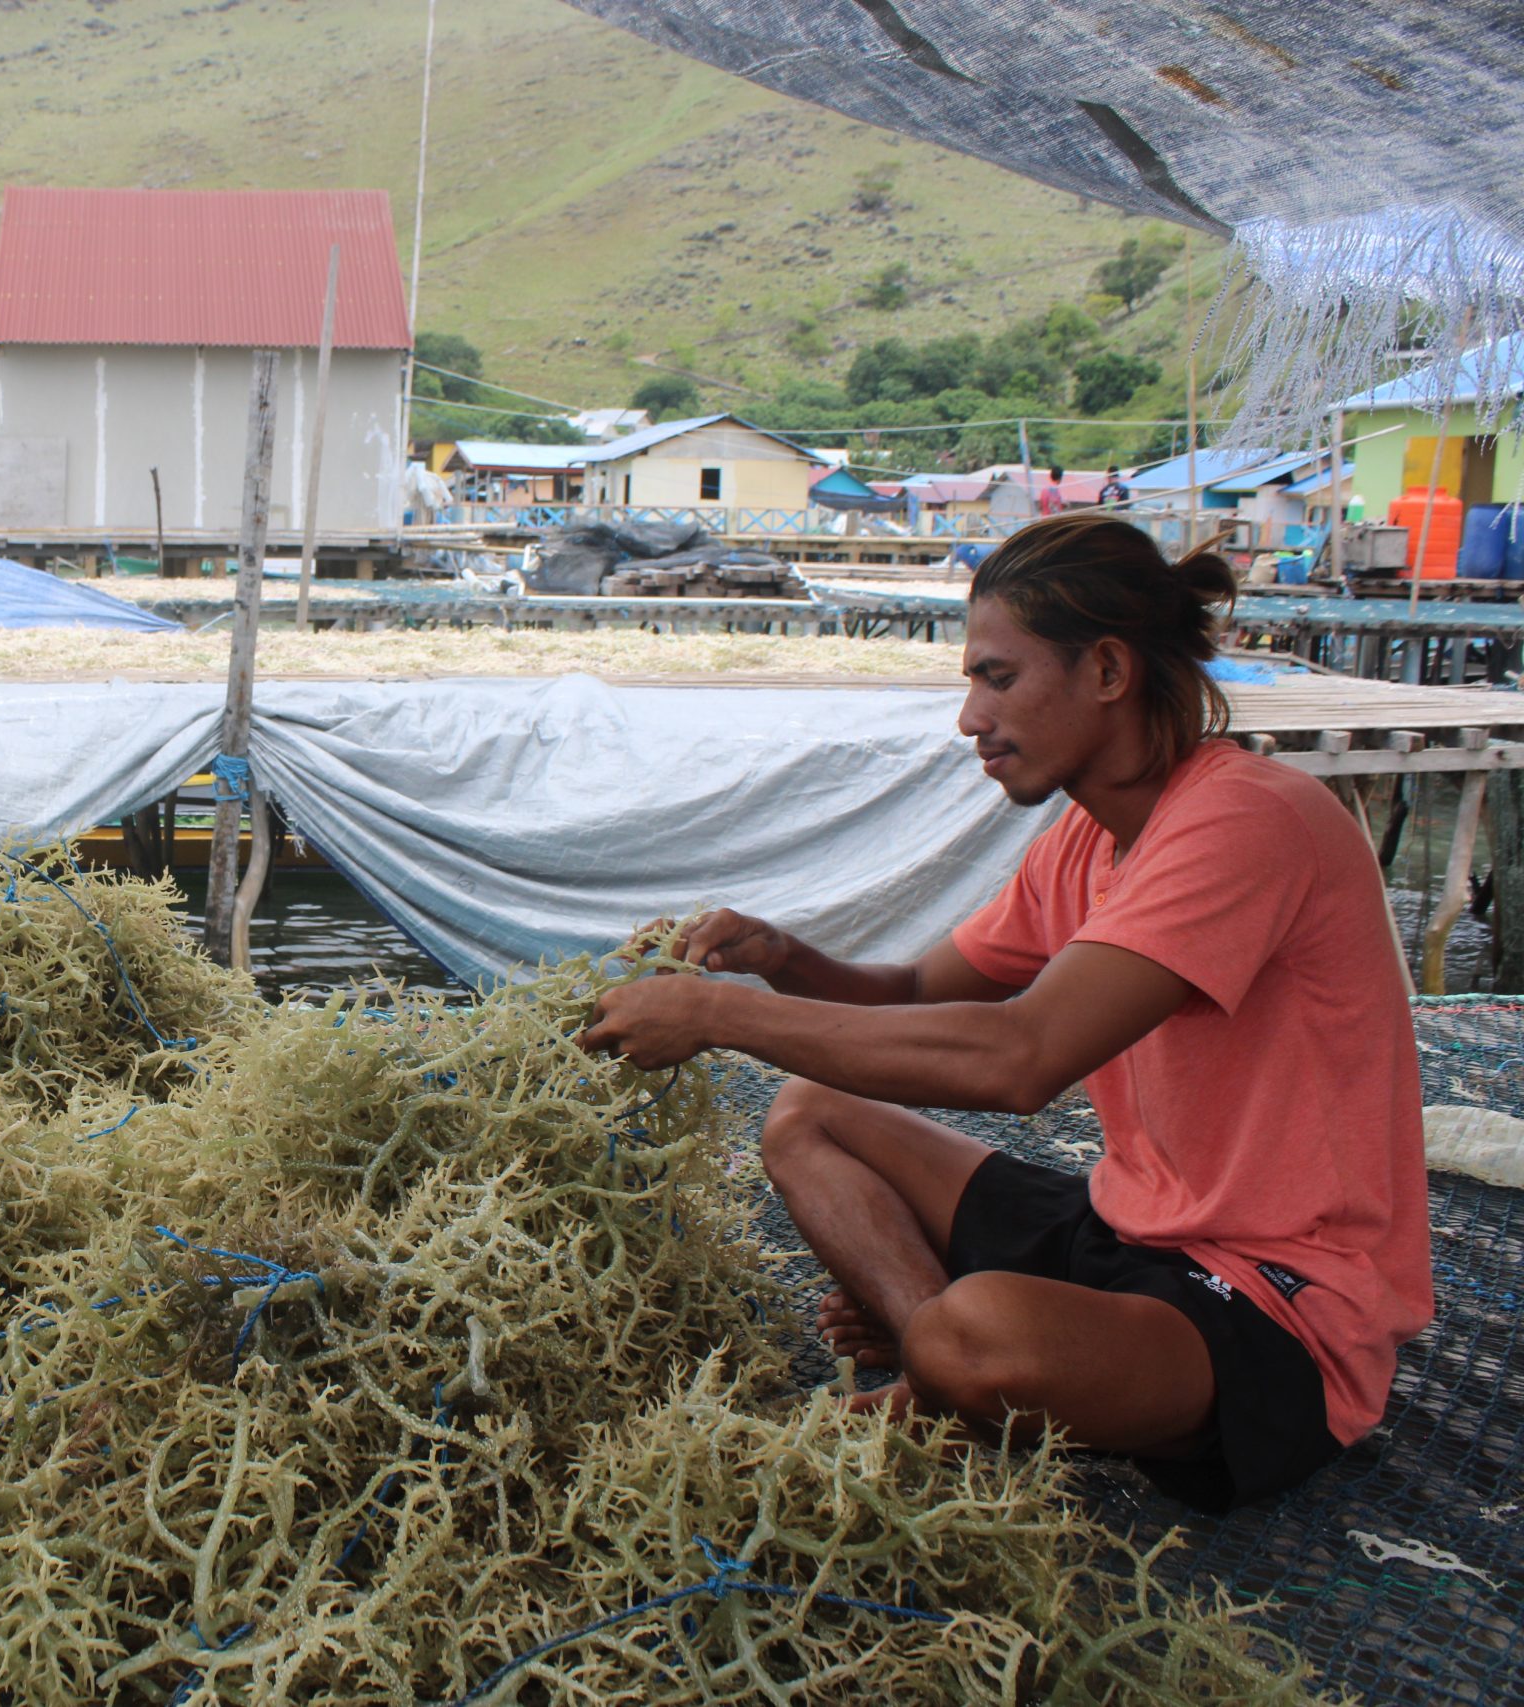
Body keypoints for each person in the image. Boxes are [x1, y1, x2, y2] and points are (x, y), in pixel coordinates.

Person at [579, 513, 1430, 1510]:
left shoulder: (1245, 823)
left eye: (996, 678)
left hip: (1272, 1306)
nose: (968, 719)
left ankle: (944, 1364)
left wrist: (715, 1017)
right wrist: (778, 958)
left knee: (975, 1334)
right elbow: (906, 996)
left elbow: (1018, 1060)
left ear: (1106, 671)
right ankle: (934, 1362)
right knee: (811, 1113)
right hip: (1127, 1235)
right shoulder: (1083, 845)